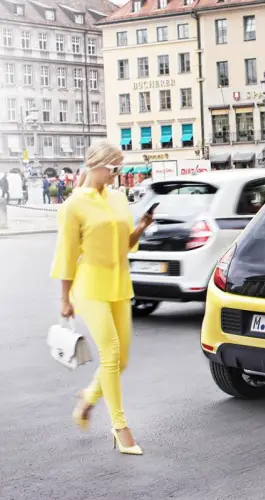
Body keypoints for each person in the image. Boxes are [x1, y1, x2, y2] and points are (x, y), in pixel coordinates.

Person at [50, 140, 154, 456]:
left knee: (122, 360)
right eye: (113, 169)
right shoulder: (73, 207)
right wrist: (65, 297)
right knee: (110, 353)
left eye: (119, 169)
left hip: (120, 284)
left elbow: (124, 244)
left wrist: (141, 227)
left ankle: (87, 397)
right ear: (96, 165)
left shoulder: (120, 199)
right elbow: (67, 255)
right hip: (90, 287)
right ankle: (120, 426)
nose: (116, 175)